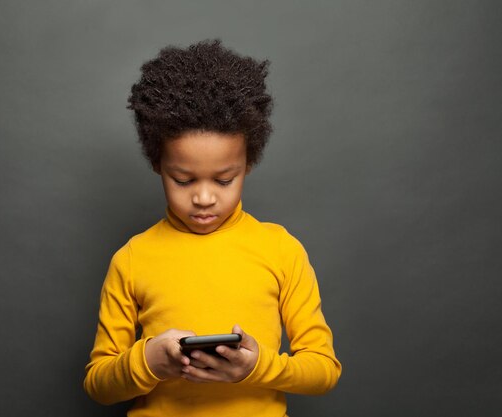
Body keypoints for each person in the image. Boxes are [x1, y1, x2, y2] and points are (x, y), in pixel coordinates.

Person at [83, 39, 341, 416]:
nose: (204, 198)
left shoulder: (281, 250)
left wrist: (256, 367)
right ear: (158, 164)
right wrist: (148, 362)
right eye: (184, 180)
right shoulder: (132, 258)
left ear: (248, 164)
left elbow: (324, 370)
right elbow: (99, 384)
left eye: (223, 180)